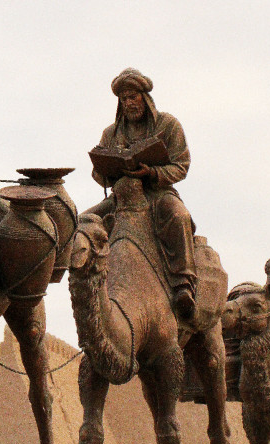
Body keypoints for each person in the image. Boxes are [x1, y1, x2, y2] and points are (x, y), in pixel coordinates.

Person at [87, 68, 197, 317]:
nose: (128, 103)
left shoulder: (168, 125)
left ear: (144, 97)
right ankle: (88, 286)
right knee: (84, 222)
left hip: (158, 193)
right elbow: (98, 174)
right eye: (124, 99)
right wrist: (106, 170)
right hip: (122, 196)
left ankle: (183, 283)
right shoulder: (110, 133)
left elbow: (181, 165)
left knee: (178, 215)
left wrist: (152, 172)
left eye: (133, 97)